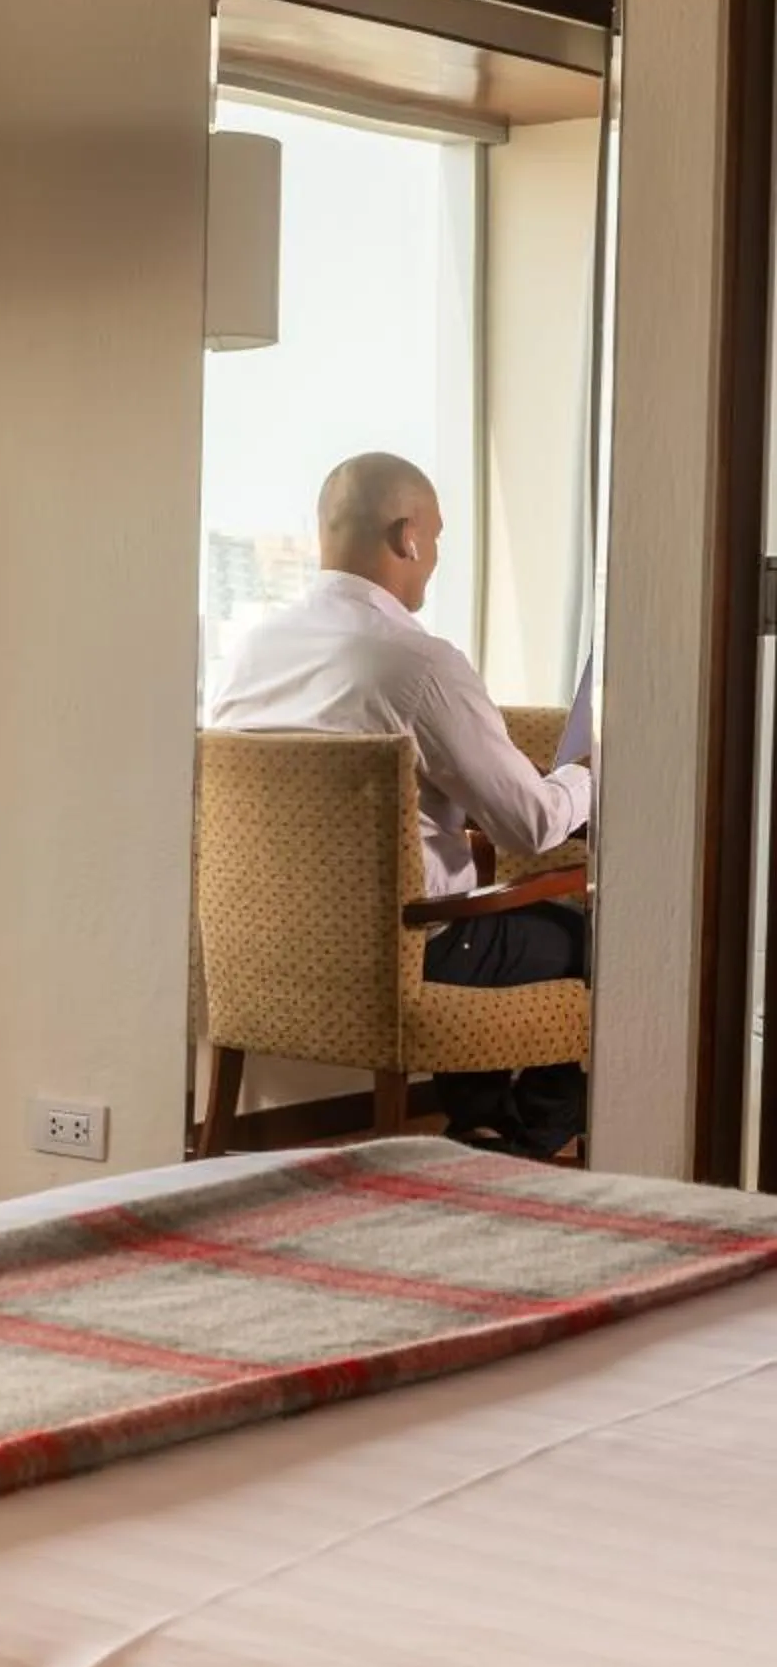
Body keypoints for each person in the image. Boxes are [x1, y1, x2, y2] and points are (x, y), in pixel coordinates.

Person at [208, 451, 592, 1155]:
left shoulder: (249, 653)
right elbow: (534, 826)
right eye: (437, 538)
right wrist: (590, 777)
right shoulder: (418, 663)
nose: (436, 555)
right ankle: (529, 1140)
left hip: (263, 952)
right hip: (410, 953)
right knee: (587, 939)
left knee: (466, 904)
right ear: (408, 537)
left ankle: (479, 1122)